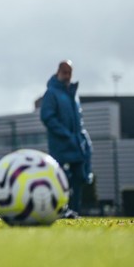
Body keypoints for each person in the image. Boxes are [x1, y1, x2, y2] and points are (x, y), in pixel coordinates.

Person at [40, 60, 93, 218]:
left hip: (76, 145)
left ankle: (75, 212)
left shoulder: (73, 95)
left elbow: (78, 120)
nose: (67, 76)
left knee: (79, 179)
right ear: (58, 72)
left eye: (70, 73)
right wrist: (65, 134)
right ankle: (59, 210)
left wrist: (81, 139)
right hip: (60, 146)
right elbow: (47, 117)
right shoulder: (51, 93)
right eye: (64, 72)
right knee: (60, 180)